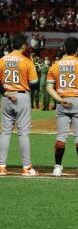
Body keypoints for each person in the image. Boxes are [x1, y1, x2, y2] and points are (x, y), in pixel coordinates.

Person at [46, 37, 78, 177]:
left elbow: (49, 87)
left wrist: (60, 99)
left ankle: (57, 168)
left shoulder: (55, 65)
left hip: (62, 100)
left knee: (61, 135)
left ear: (64, 48)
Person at [0, 34, 39, 176]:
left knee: (5, 132)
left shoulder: (2, 60)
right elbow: (35, 85)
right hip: (22, 97)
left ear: (11, 45)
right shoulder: (27, 61)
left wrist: (5, 92)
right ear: (23, 45)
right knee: (23, 133)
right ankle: (27, 168)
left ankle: (1, 166)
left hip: (6, 97)